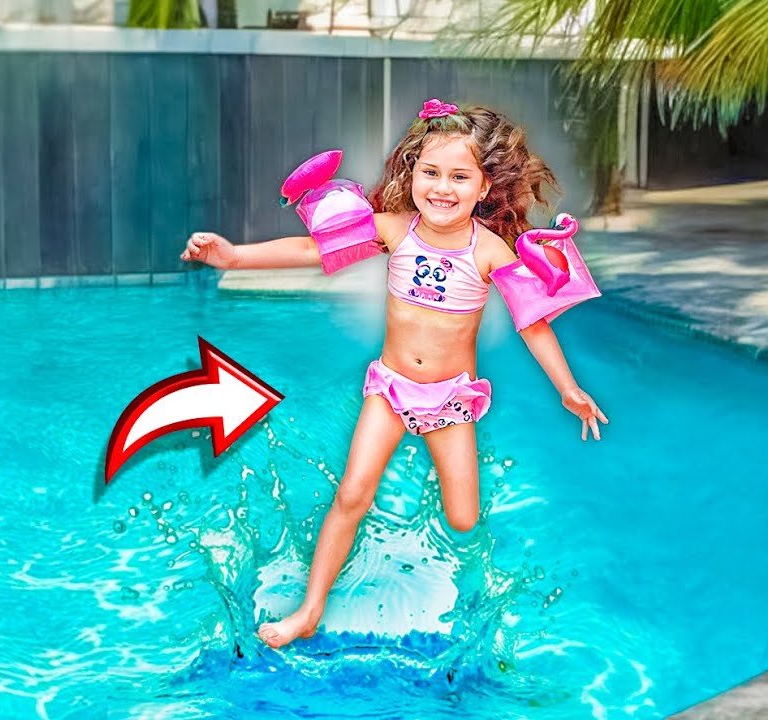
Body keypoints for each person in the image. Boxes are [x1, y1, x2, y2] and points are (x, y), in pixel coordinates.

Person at [181, 99, 608, 649]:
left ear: (483, 187)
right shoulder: (394, 230)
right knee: (352, 494)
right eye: (430, 173)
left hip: (450, 399)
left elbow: (533, 324)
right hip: (390, 388)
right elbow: (311, 249)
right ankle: (309, 612)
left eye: (459, 176)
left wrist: (568, 389)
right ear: (413, 175)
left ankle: (447, 550)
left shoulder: (491, 250)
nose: (442, 188)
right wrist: (234, 256)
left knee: (462, 519)